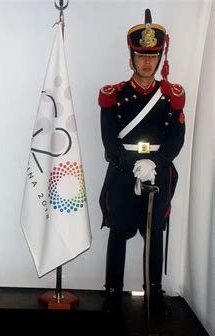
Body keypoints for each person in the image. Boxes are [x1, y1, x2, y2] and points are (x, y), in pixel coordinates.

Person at [98, 9, 185, 317]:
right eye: (141, 55)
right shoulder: (113, 95)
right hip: (123, 172)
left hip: (159, 172)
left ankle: (155, 294)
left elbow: (176, 140)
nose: (147, 62)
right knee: (118, 231)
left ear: (161, 57)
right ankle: (112, 294)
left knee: (155, 231)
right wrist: (133, 163)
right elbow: (109, 141)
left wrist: (155, 164)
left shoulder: (171, 95)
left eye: (153, 56)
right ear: (131, 56)